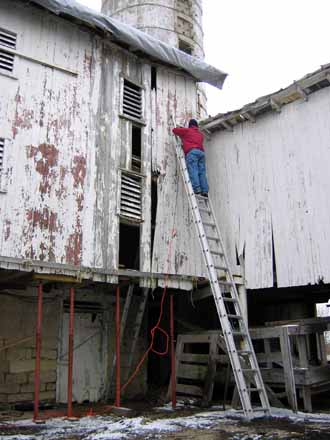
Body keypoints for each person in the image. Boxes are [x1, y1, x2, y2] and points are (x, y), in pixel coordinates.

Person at [172, 119, 209, 197]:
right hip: (201, 153)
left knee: (193, 170)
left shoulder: (187, 131)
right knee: (202, 172)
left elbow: (174, 130)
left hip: (192, 153)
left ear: (190, 125)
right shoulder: (200, 135)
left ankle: (197, 189)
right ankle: (204, 190)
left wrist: (182, 131)